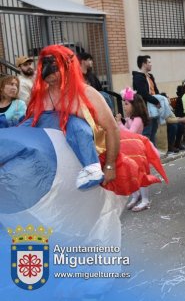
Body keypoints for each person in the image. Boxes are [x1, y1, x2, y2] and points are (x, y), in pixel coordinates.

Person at [24, 45, 119, 189]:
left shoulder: (87, 94)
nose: (48, 70)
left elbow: (112, 128)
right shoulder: (39, 97)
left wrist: (110, 165)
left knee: (75, 124)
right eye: (45, 64)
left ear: (66, 67)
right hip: (52, 169)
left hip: (84, 165)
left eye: (54, 65)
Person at [115, 87, 152, 212]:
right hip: (131, 151)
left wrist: (120, 124)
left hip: (139, 151)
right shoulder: (130, 119)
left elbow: (130, 133)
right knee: (132, 174)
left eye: (126, 104)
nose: (124, 107)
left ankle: (145, 199)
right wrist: (119, 124)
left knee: (141, 174)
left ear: (134, 105)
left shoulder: (137, 119)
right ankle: (136, 195)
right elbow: (123, 132)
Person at [132, 55, 161, 145]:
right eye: (149, 62)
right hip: (145, 108)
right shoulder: (138, 77)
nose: (151, 64)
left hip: (153, 107)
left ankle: (153, 153)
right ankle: (146, 154)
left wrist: (161, 97)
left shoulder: (150, 76)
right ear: (144, 64)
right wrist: (156, 101)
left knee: (153, 132)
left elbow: (155, 90)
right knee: (147, 133)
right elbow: (143, 93)